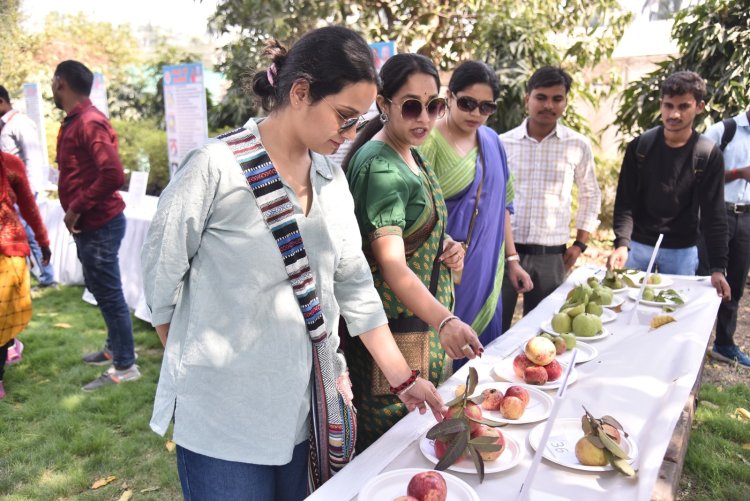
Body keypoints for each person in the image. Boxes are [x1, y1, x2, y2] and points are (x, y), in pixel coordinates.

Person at [141, 27, 447, 500]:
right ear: (300, 92)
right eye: (344, 117)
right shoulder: (215, 169)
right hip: (224, 426)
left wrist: (403, 377)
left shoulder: (330, 180)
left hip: (305, 414)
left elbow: (355, 289)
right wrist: (206, 378)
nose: (349, 134)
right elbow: (161, 285)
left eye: (356, 121)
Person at [343, 53, 482, 451]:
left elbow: (412, 230)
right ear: (383, 105)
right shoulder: (381, 167)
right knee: (393, 452)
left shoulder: (411, 152)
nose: (424, 116)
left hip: (417, 329)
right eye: (411, 106)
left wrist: (447, 243)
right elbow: (392, 266)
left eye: (434, 105)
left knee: (420, 446)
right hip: (398, 334)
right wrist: (446, 322)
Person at [421, 60, 532, 365]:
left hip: (488, 270)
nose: (476, 114)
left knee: (485, 360)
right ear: (450, 96)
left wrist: (512, 261)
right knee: (447, 354)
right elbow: (415, 214)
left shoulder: (492, 142)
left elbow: (502, 207)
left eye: (486, 108)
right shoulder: (428, 142)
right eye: (468, 103)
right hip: (443, 271)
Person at [51, 60, 140, 390]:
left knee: (110, 293)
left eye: (52, 81)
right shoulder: (78, 120)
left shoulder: (88, 122)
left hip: (100, 223)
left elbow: (113, 175)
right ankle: (115, 349)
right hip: (93, 224)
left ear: (61, 83)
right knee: (101, 289)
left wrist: (76, 208)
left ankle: (126, 365)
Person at [608, 71, 731, 301]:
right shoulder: (640, 147)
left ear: (700, 107)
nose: (674, 114)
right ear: (661, 105)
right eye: (668, 105)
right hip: (638, 246)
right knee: (625, 308)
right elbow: (625, 201)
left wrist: (717, 267)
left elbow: (715, 214)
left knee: (673, 314)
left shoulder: (707, 154)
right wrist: (621, 244)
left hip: (681, 251)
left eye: (683, 106)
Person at [500, 67, 601, 331]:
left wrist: (580, 244)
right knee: (494, 329)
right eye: (541, 97)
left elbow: (591, 195)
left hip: (552, 257)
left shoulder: (577, 145)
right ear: (527, 99)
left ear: (566, 102)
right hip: (505, 254)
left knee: (544, 331)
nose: (548, 105)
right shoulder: (503, 143)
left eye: (557, 99)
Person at [0, 151, 51, 399]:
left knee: (1, 316)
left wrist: (43, 241)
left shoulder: (10, 164)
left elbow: (29, 206)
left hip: (8, 247)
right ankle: (10, 342)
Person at [702, 109, 750, 367]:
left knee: (736, 281)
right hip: (718, 212)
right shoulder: (724, 131)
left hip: (747, 217)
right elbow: (697, 172)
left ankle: (724, 343)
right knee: (705, 277)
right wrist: (738, 173)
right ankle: (692, 342)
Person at [0, 85, 56, 288]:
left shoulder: (19, 123)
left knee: (29, 234)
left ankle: (47, 277)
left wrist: (28, 191)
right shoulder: (6, 124)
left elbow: (32, 157)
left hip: (21, 190)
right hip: (13, 192)